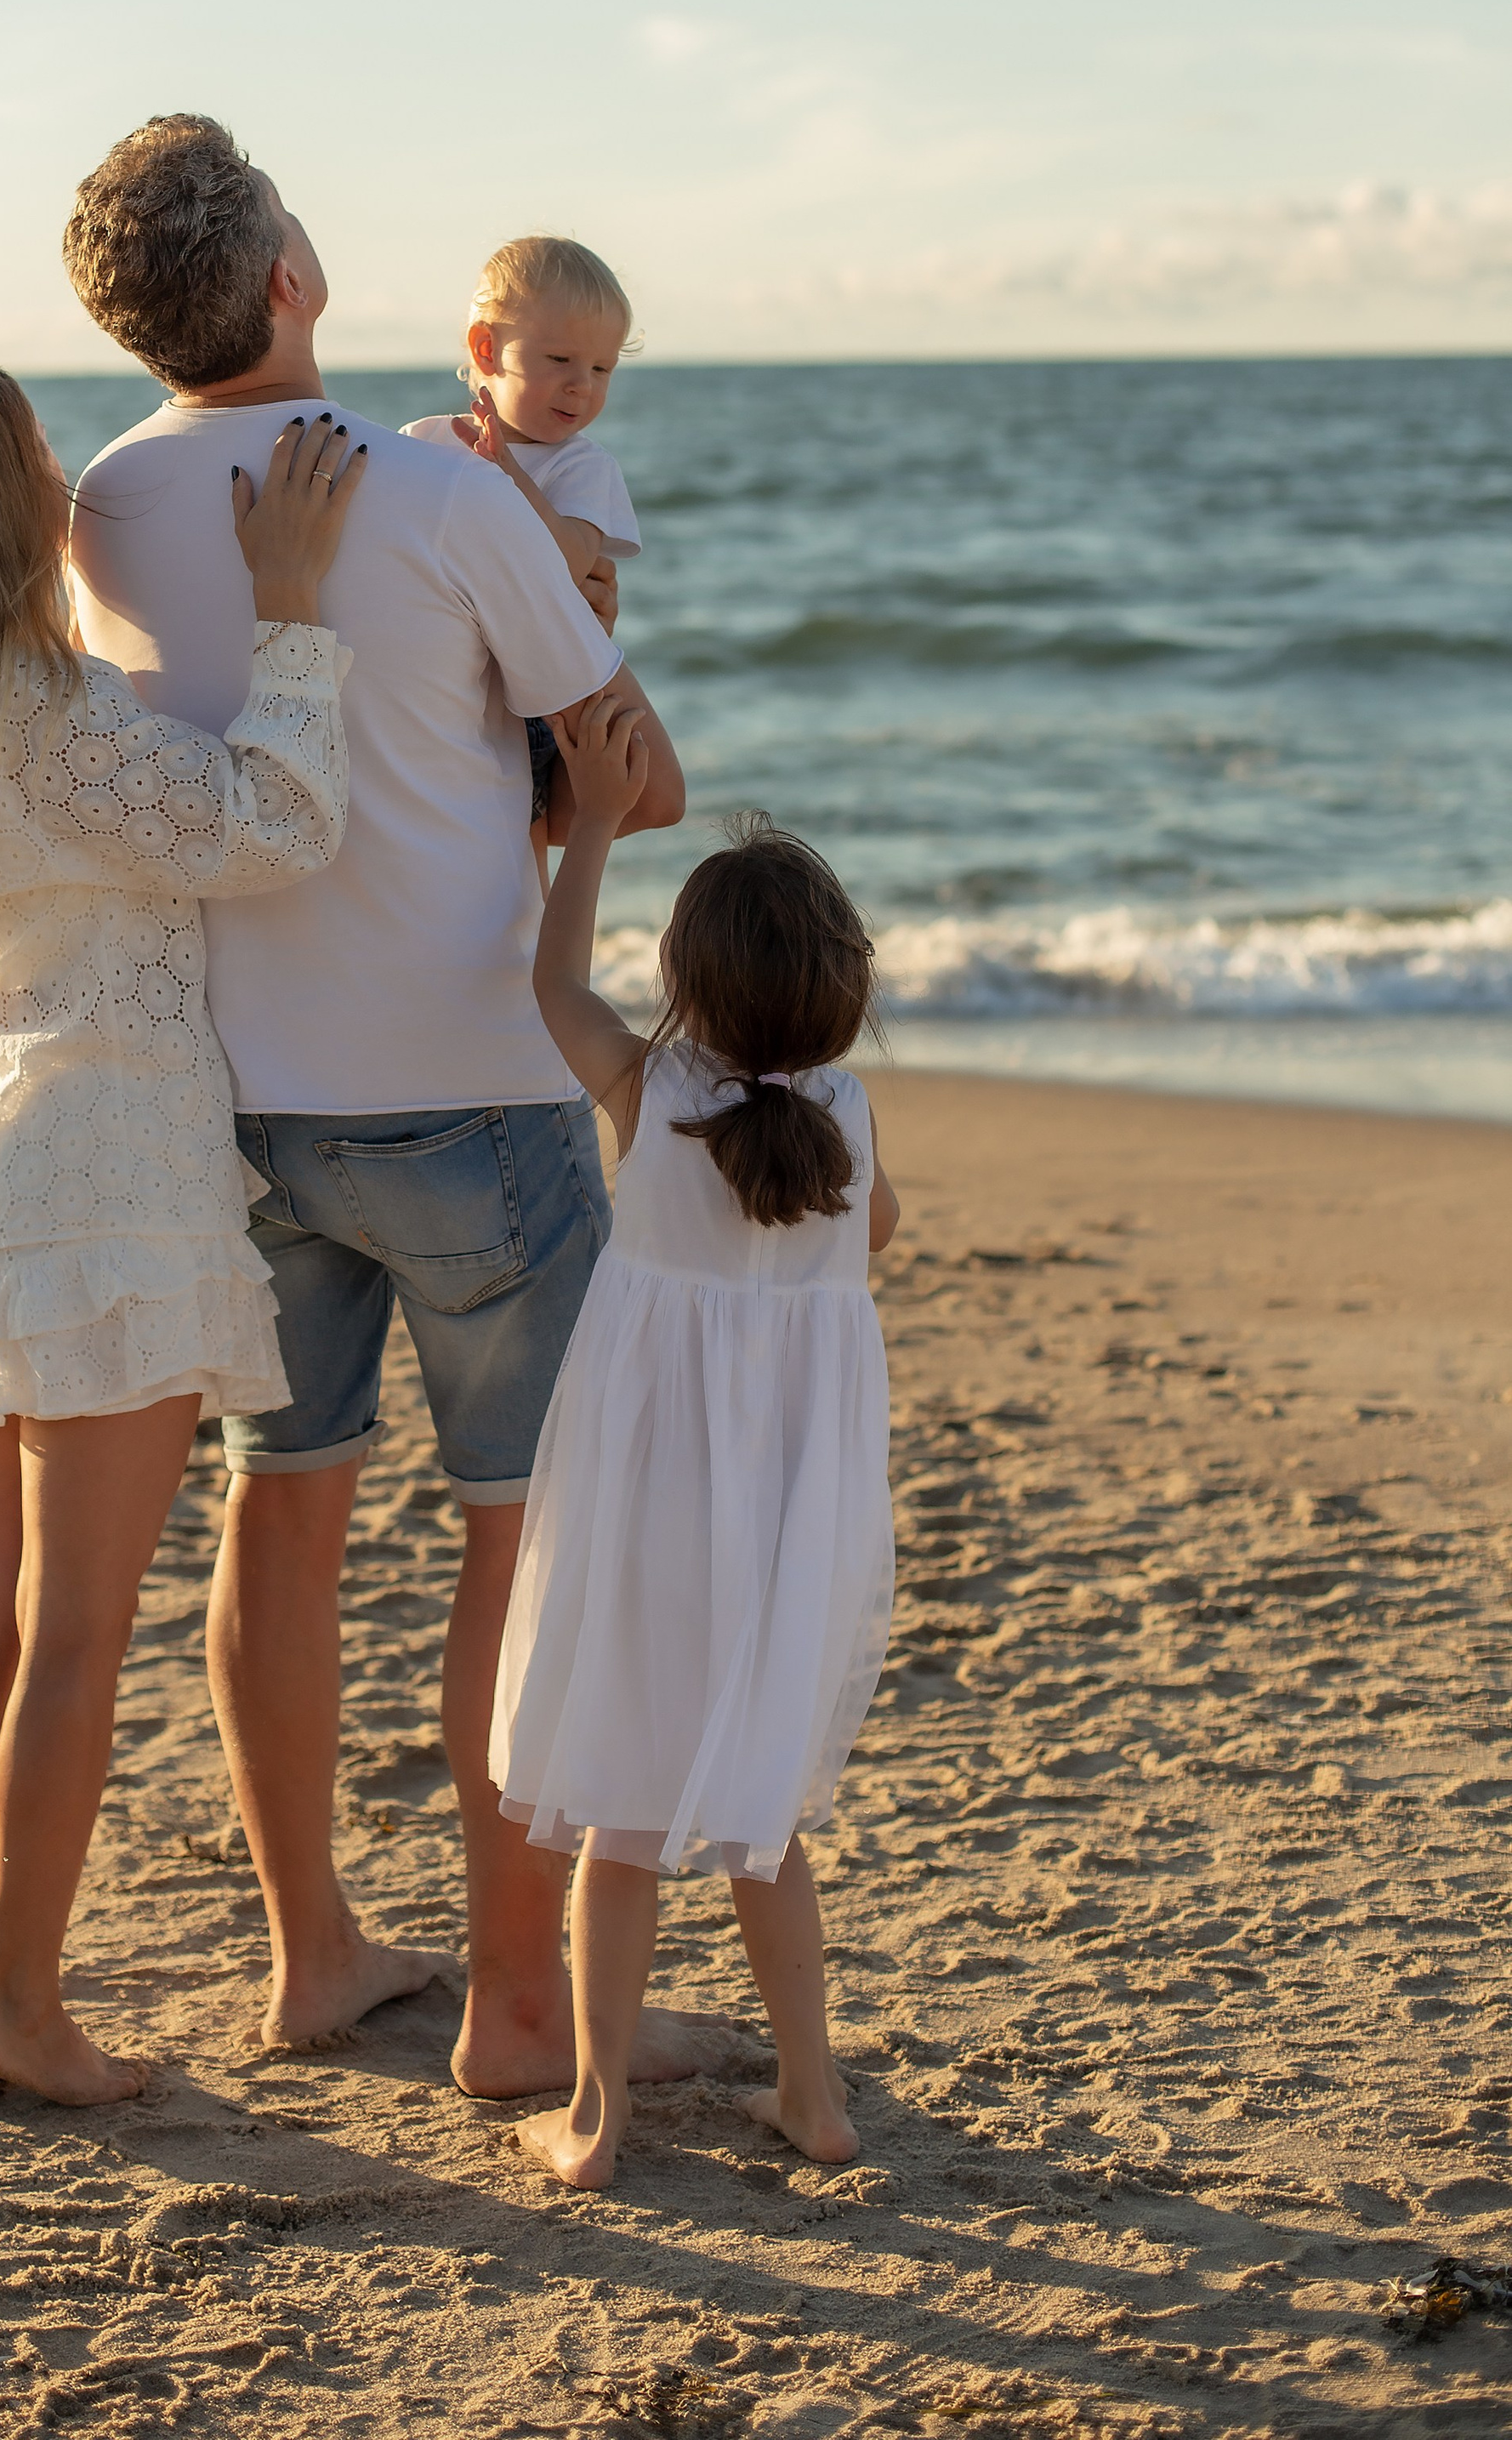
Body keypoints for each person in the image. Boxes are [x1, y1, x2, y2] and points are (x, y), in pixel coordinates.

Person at [62, 114, 691, 2095]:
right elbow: (634, 776)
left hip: (235, 1106)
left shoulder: (99, 502)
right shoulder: (437, 492)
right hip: (468, 1093)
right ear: (289, 278)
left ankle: (311, 1953)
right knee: (518, 1535)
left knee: (284, 1506)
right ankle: (515, 2005)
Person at [0, 358, 364, 2104]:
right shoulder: (46, 713)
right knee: (76, 1631)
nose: (68, 480)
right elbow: (272, 822)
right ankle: (21, 2005)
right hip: (103, 1196)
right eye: (38, 454)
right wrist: (292, 615)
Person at [492, 719, 897, 2189]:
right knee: (762, 1828)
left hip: (652, 1508)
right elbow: (878, 1235)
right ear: (840, 995)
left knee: (622, 1818)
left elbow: (552, 985)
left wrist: (593, 822)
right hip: (789, 1522)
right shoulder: (846, 1120)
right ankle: (815, 2097)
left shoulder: (653, 1100)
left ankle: (596, 2118)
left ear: (687, 986)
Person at [401, 236, 642, 867]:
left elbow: (567, 564)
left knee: (518, 833)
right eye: (560, 359)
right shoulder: (424, 441)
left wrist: (506, 471)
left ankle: (530, 924)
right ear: (487, 349)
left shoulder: (582, 467)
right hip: (437, 681)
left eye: (602, 369)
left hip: (530, 696)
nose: (581, 387)